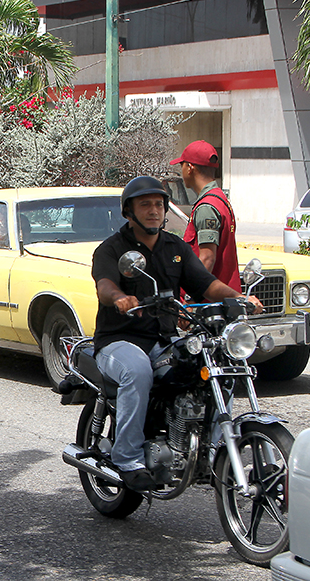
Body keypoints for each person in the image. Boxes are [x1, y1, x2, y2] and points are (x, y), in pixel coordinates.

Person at [91, 176, 262, 491]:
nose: (154, 211)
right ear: (129, 211)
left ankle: (211, 449)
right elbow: (104, 284)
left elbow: (205, 283)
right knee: (138, 370)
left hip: (163, 339)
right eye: (146, 205)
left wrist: (237, 298)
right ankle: (127, 458)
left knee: (216, 365)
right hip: (120, 340)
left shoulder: (175, 247)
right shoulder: (112, 249)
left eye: (159, 204)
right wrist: (119, 298)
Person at [174, 140, 241, 292]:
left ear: (190, 168)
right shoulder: (220, 199)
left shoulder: (207, 206)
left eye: (182, 165)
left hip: (206, 306)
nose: (181, 170)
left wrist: (190, 297)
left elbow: (206, 258)